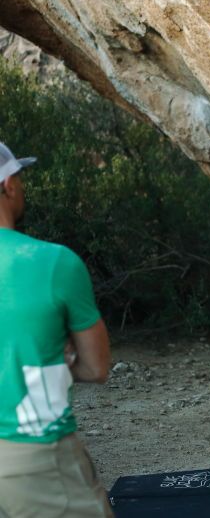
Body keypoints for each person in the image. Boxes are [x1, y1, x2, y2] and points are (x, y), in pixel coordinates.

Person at [0, 142, 114, 518]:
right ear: (7, 186)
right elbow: (96, 368)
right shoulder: (53, 263)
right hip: (32, 457)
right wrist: (56, 364)